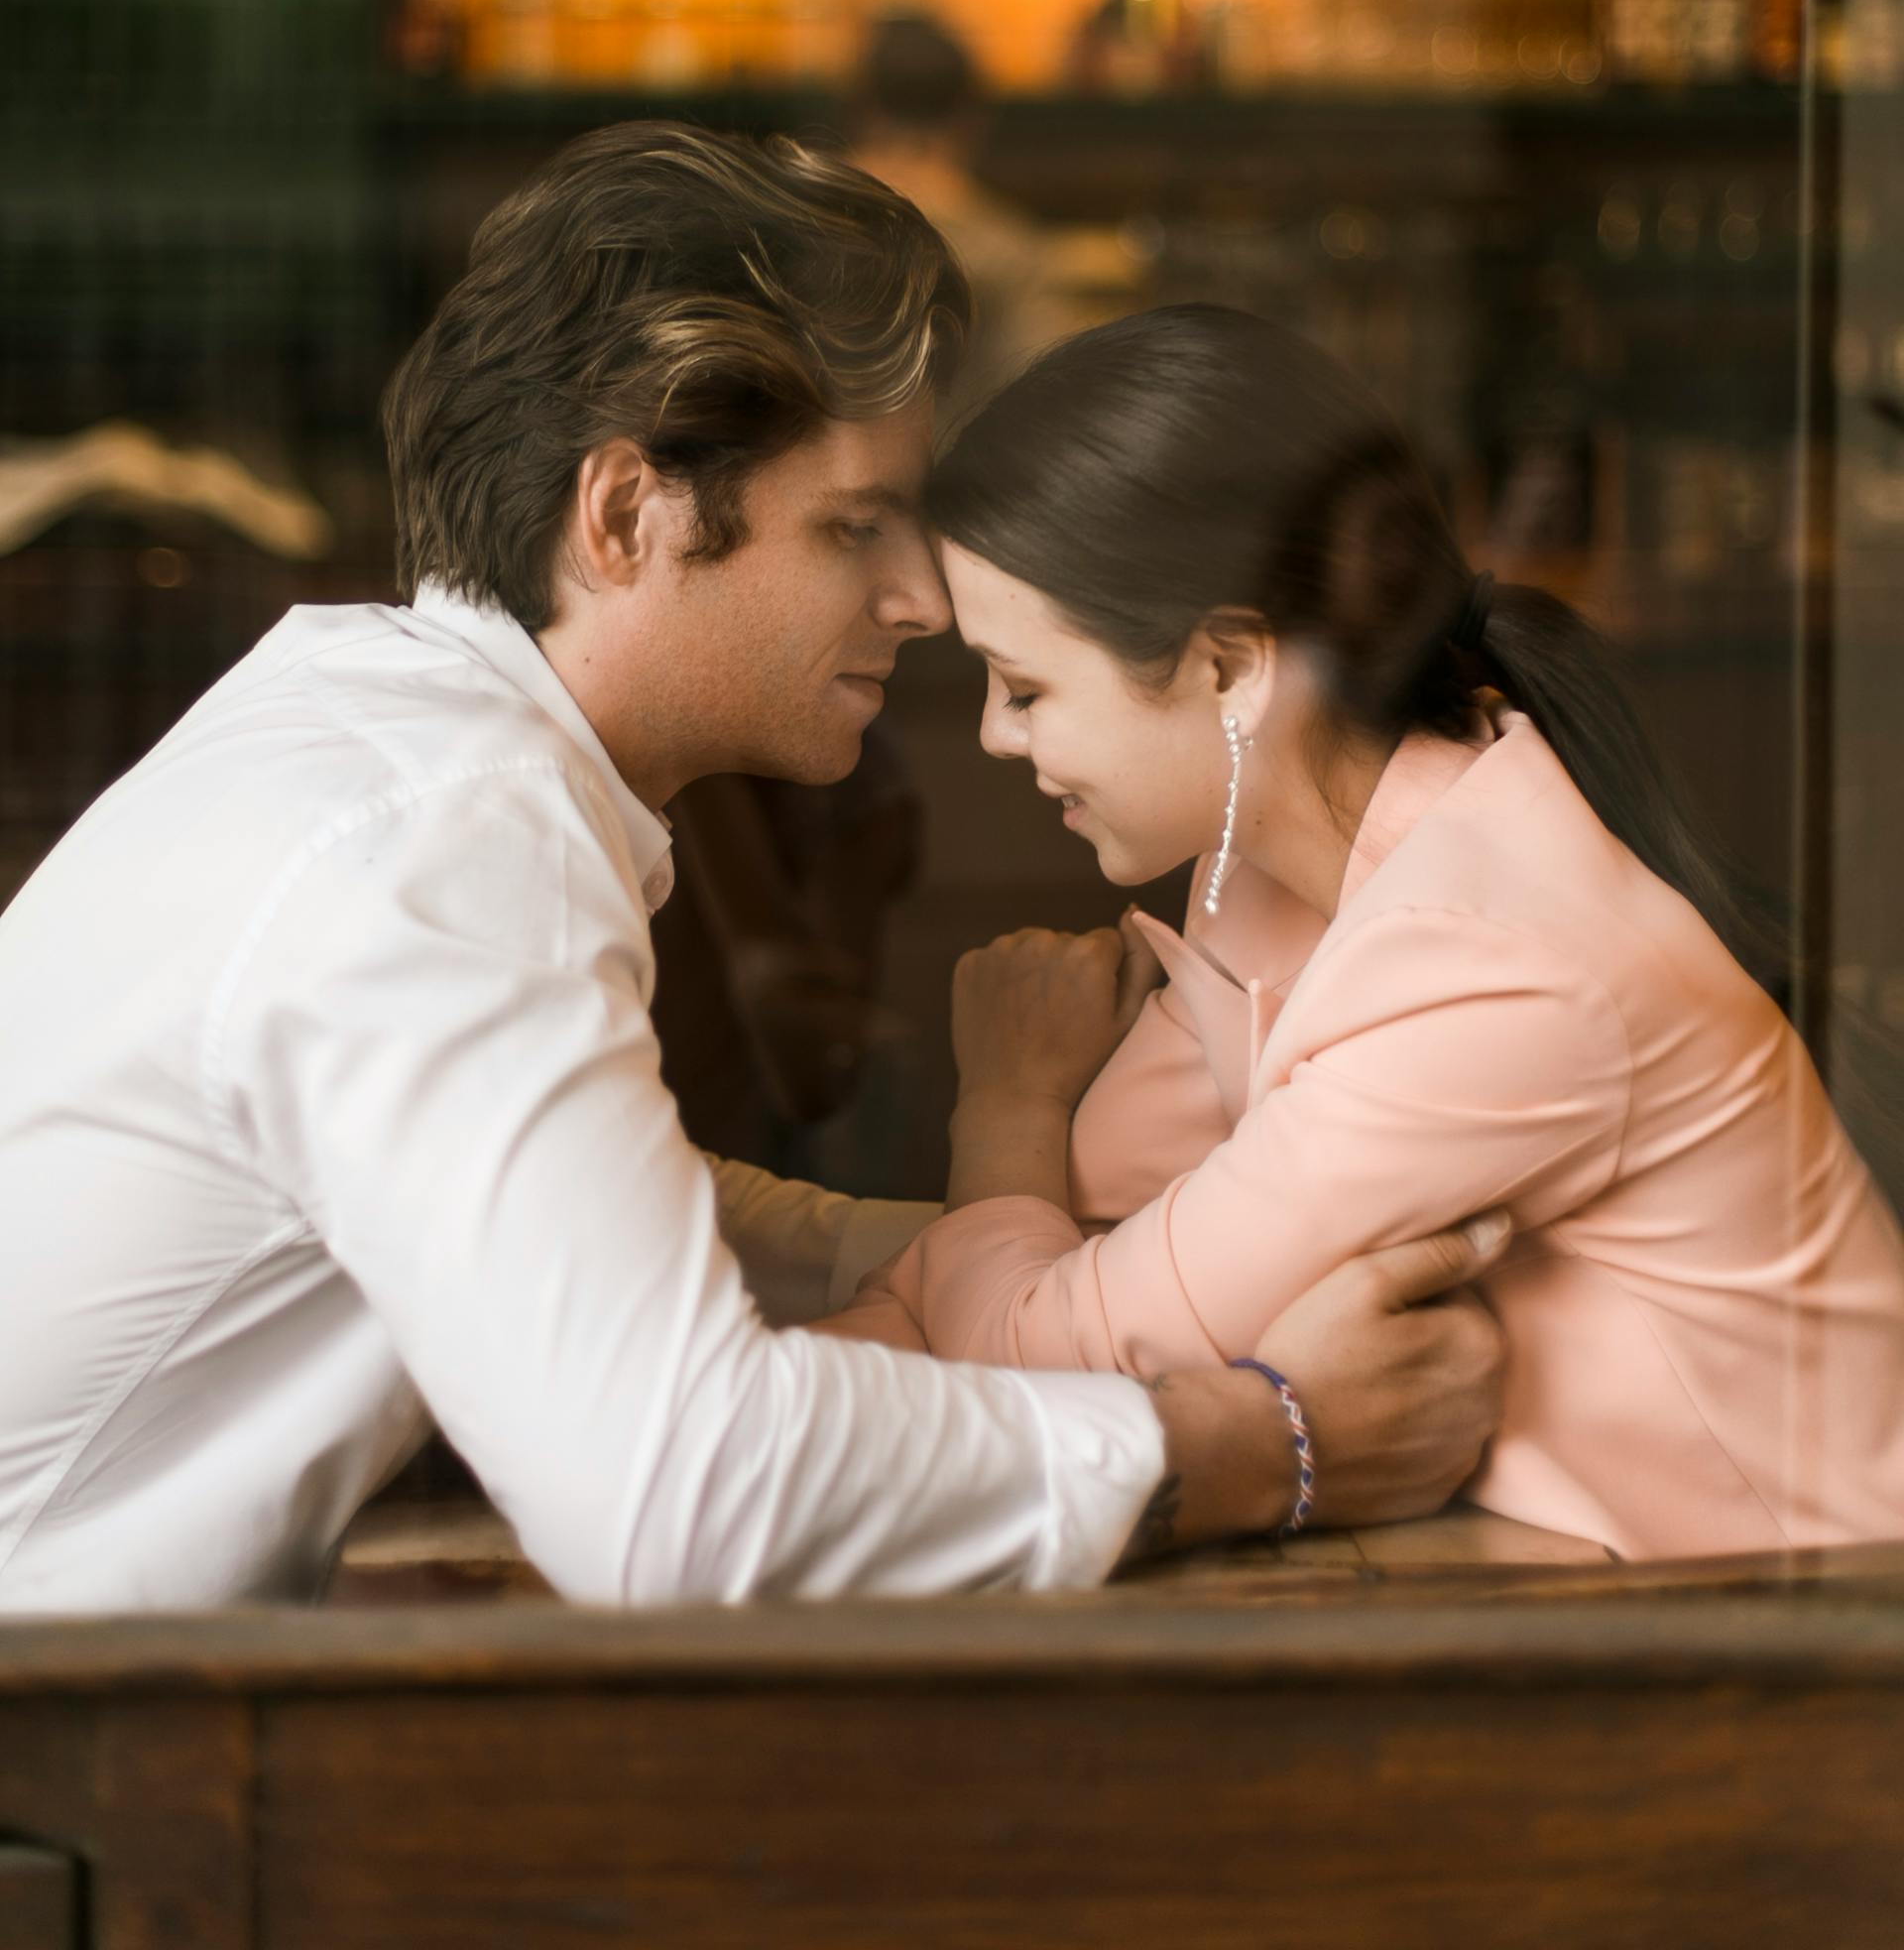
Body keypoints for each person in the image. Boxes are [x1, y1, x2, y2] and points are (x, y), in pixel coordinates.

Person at [0, 128, 1504, 1614]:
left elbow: (586, 1214)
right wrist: (1266, 1440)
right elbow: (681, 1497)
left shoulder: (388, 748)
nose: (922, 599)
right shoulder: (446, 842)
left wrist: (1045, 1280)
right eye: (857, 528)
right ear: (624, 514)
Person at [823, 304, 1904, 1562]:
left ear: (1231, 669)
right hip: (1558, 1599)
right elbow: (1055, 1261)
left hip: (1806, 1663)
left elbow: (1047, 1344)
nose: (997, 738)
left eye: (1026, 689)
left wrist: (1003, 1106)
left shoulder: (1495, 972)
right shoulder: (1273, 868)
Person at [846, 9, 1098, 416]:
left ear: (862, 110)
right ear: (971, 120)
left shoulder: (793, 217)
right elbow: (1050, 401)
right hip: (957, 472)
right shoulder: (1007, 246)